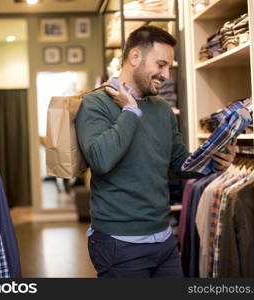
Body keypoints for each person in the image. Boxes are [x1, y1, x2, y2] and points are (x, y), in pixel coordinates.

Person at [75, 25, 237, 278]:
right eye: (161, 64)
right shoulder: (96, 102)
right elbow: (100, 159)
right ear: (135, 56)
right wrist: (130, 111)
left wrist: (214, 163)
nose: (167, 75)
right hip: (119, 243)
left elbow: (178, 163)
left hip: (164, 239)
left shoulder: (162, 108)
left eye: (169, 67)